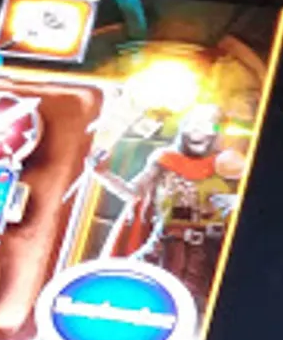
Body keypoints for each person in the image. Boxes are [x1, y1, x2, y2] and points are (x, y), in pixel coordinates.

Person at [90, 103, 247, 302]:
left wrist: (233, 202)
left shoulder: (229, 162)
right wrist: (101, 173)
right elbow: (133, 194)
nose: (198, 131)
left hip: (203, 251)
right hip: (162, 243)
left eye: (208, 125)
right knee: (122, 288)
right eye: (193, 124)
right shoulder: (166, 158)